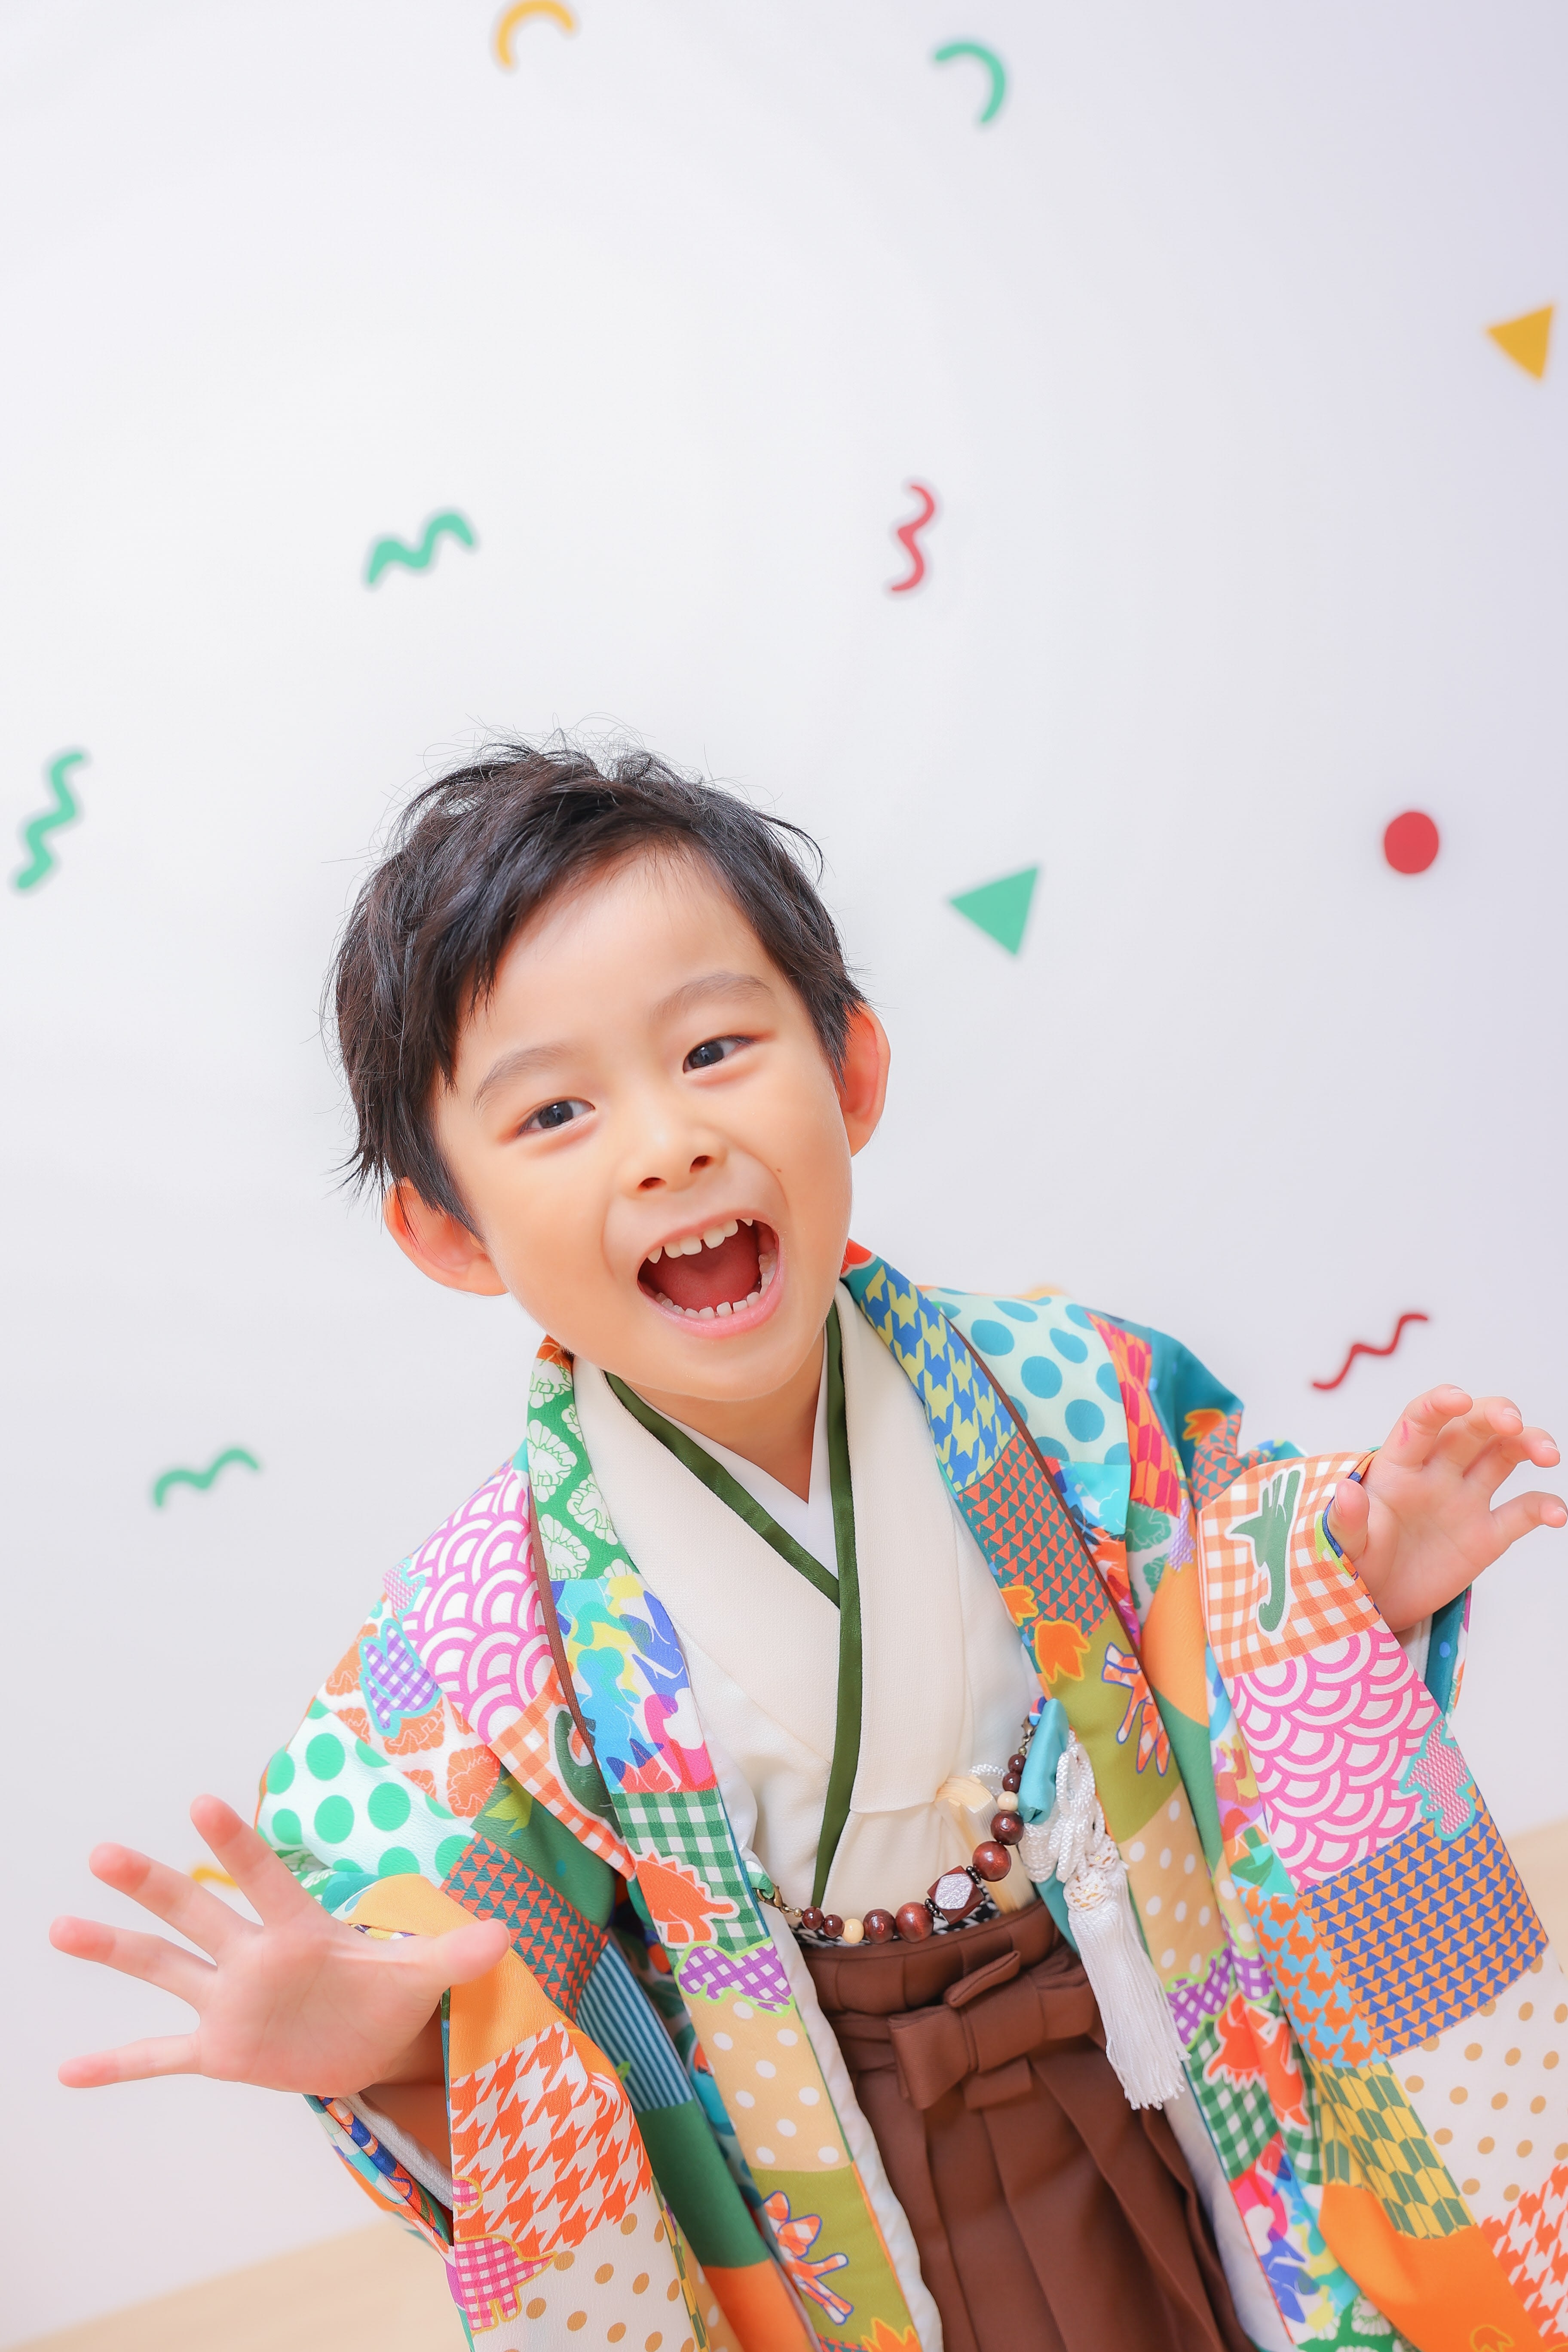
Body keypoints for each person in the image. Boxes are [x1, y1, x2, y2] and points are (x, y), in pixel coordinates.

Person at [52, 744, 1568, 2352]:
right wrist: (395, 2028)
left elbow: (1231, 1623)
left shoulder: (1074, 1394)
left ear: (849, 1070)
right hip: (827, 2175)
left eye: (714, 1047)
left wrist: (1336, 1582)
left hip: (1153, 2062)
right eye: (556, 1109)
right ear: (449, 1231)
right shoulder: (484, 1622)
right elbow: (456, 1928)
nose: (666, 1143)